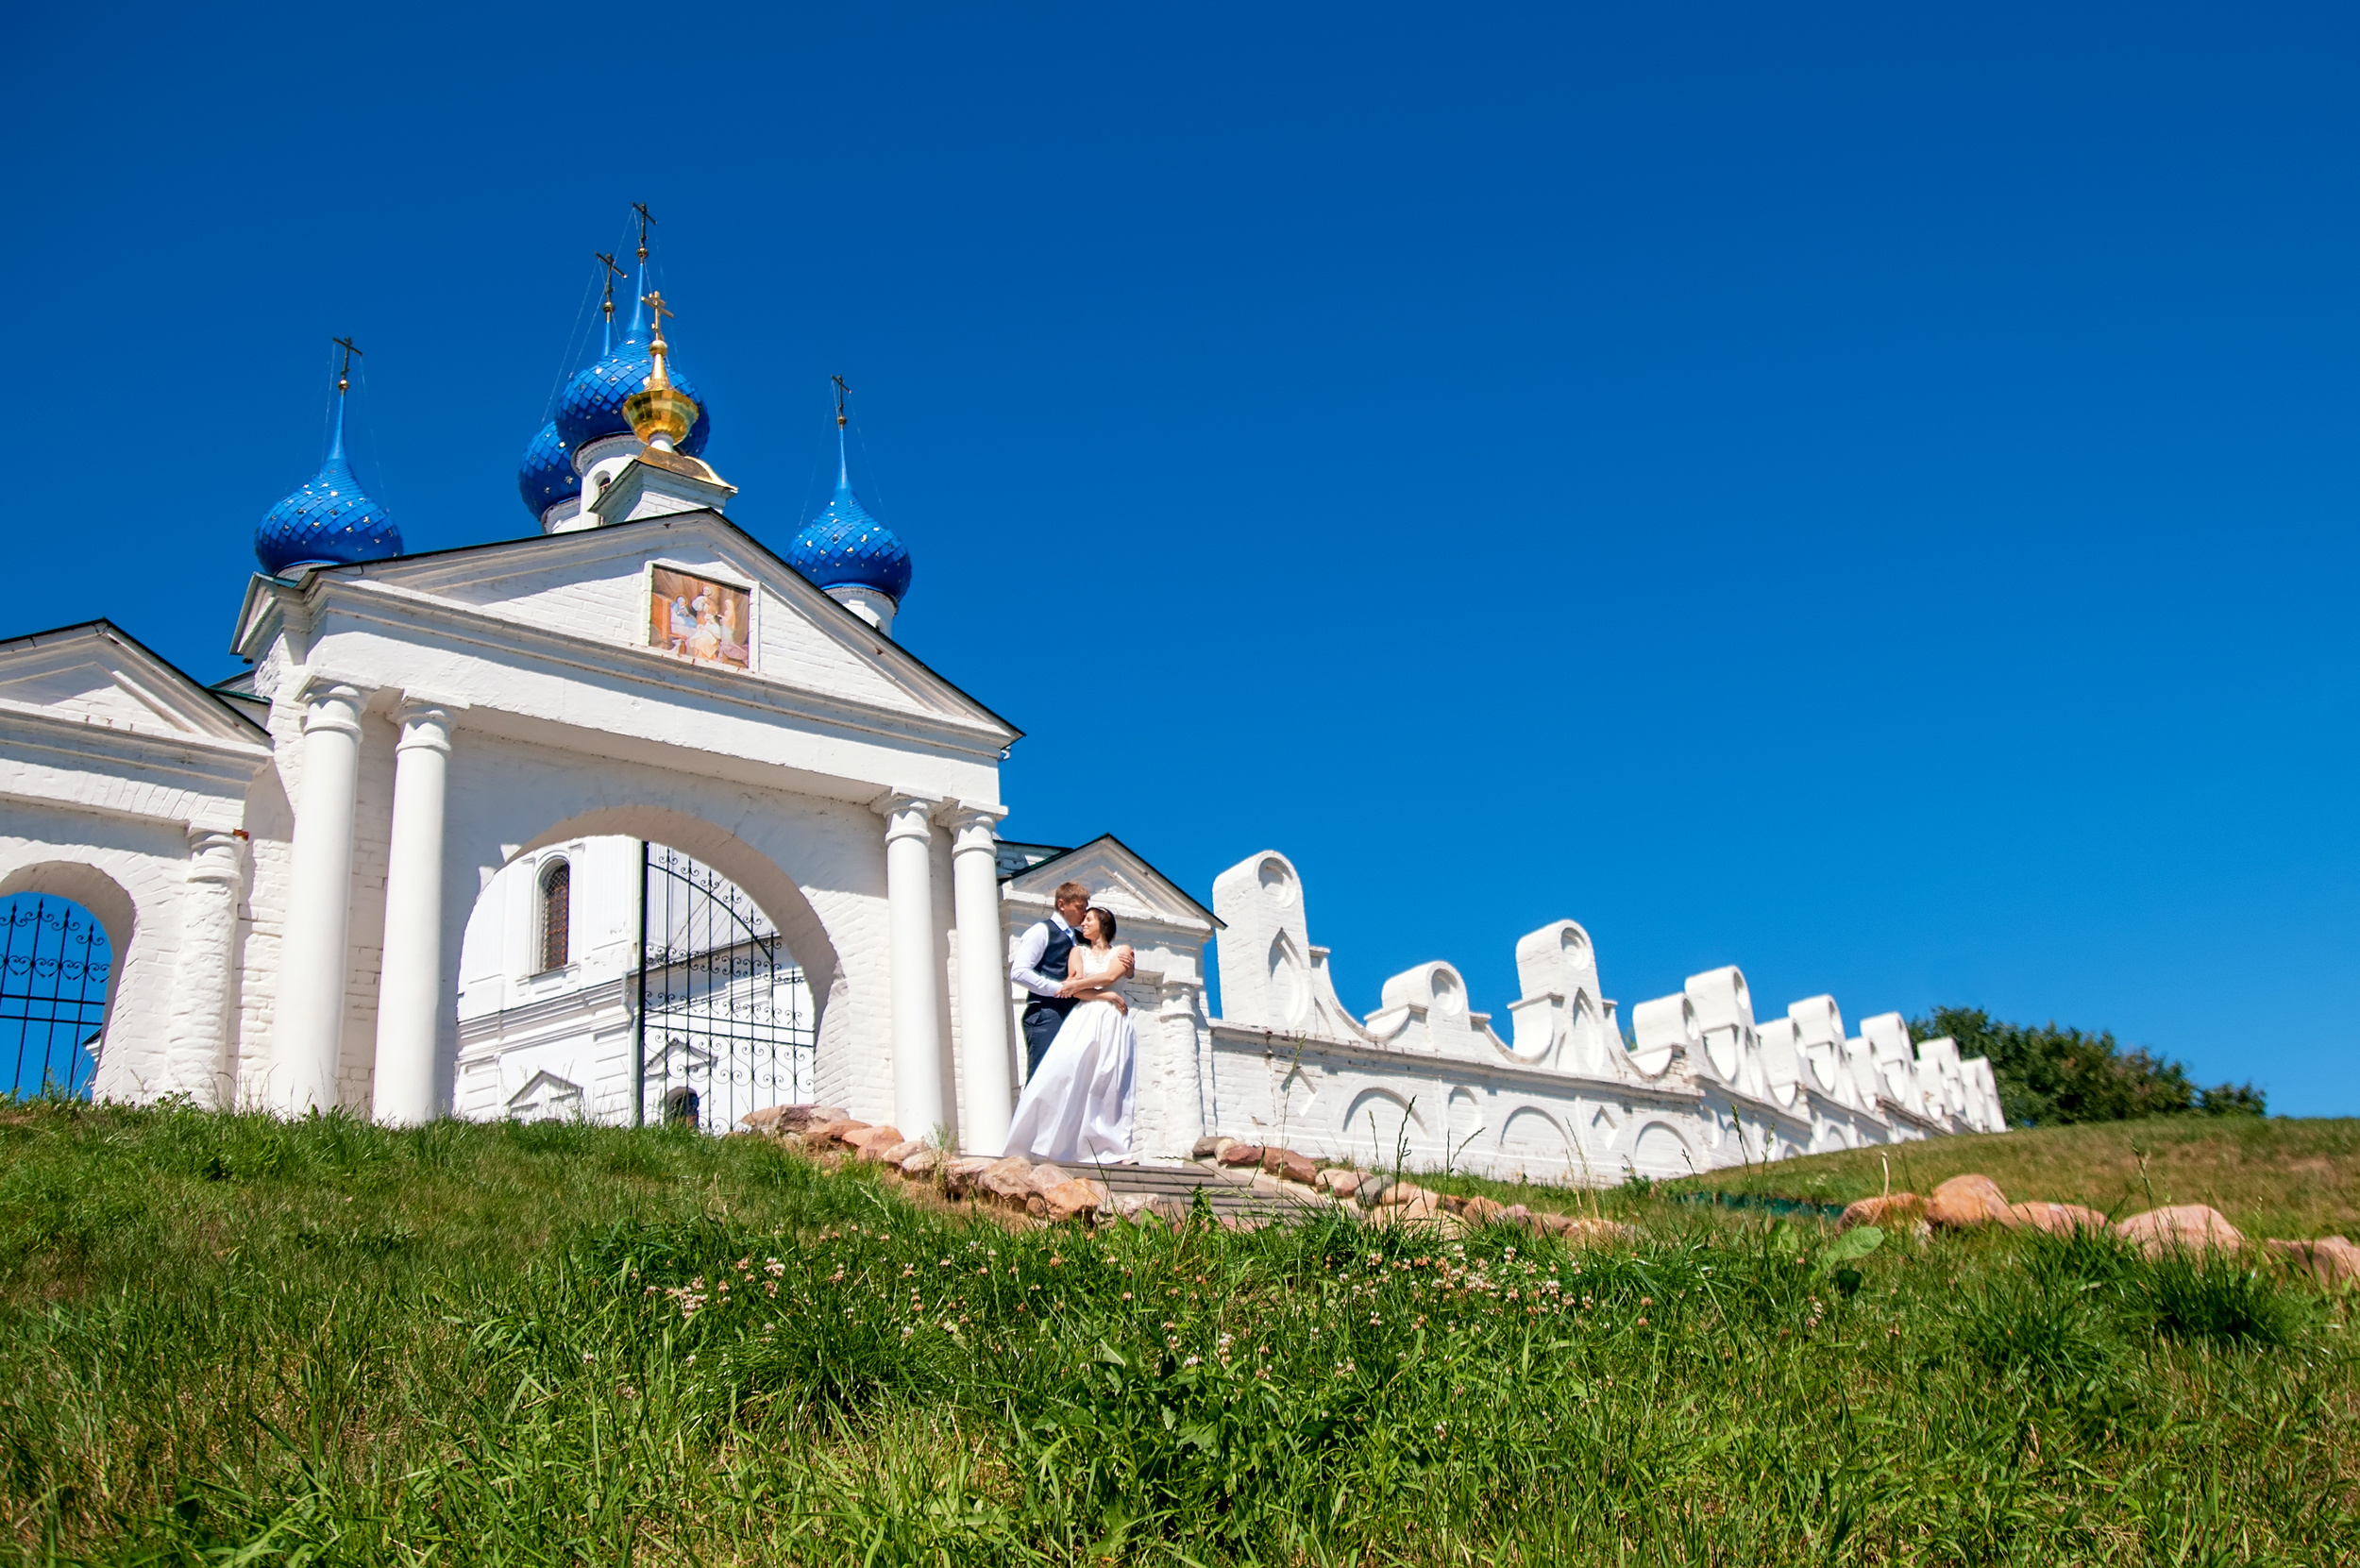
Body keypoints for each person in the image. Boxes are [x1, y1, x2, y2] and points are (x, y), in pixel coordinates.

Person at [1003, 904, 1136, 1163]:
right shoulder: (1077, 951)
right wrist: (1102, 994)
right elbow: (1078, 991)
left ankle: (1109, 1148)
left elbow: (1109, 976)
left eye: (1089, 919)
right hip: (1084, 1017)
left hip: (1112, 1021)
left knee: (1108, 1081)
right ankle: (1046, 1141)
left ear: (1103, 923)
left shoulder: (1124, 950)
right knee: (1066, 1073)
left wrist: (1076, 984)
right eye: (1083, 919)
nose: (1083, 924)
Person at [1009, 881, 1130, 1079]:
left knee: (1071, 1080)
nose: (1083, 914)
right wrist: (1058, 988)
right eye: (1079, 908)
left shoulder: (1081, 939)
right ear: (1062, 904)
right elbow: (1019, 972)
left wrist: (1129, 969)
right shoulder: (1041, 931)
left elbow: (1103, 963)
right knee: (1043, 1078)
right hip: (1046, 1012)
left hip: (1077, 1015)